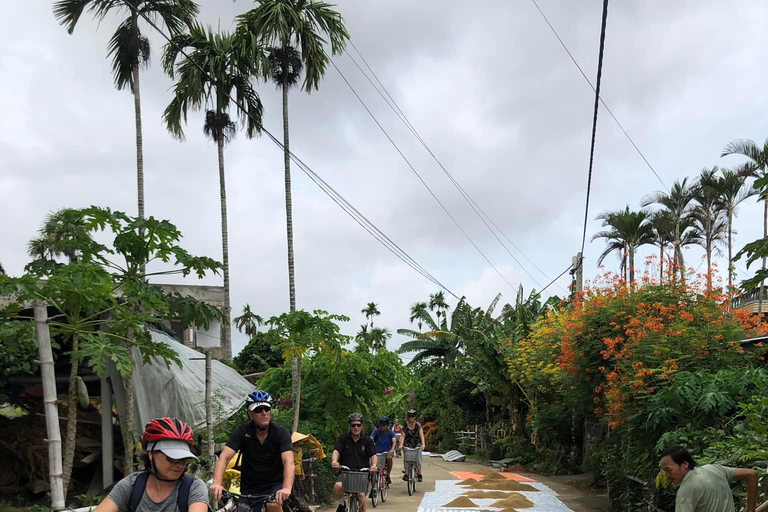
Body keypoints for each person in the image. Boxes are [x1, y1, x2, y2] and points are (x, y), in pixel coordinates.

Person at [94, 417, 208, 512]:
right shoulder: (131, 485)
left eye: (184, 459)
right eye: (172, 458)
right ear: (151, 454)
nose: (179, 465)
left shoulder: (193, 488)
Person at [211, 391, 294, 511]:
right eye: (258, 410)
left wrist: (286, 488)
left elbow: (288, 462)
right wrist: (217, 483)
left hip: (275, 486)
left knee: (274, 504)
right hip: (249, 489)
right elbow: (224, 457)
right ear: (250, 414)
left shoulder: (280, 432)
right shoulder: (242, 431)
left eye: (267, 408)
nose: (264, 413)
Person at [659, 446, 758, 512]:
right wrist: (751, 508)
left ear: (685, 464)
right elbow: (751, 474)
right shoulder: (713, 469)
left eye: (669, 470)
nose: (667, 475)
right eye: (664, 471)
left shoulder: (686, 491)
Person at [332, 413, 377, 512]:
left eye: (358, 425)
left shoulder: (367, 440)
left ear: (361, 426)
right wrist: (334, 461)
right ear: (350, 426)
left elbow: (373, 455)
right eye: (353, 425)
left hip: (362, 473)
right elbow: (336, 450)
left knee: (361, 495)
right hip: (345, 472)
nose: (356, 427)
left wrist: (374, 465)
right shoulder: (343, 438)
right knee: (337, 487)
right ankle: (342, 503)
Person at [399, 409, 425, 482]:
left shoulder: (418, 425)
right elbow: (403, 436)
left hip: (417, 444)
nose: (411, 418)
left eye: (413, 416)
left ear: (415, 417)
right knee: (406, 459)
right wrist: (401, 445)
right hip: (408, 443)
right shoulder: (405, 425)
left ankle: (419, 474)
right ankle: (406, 474)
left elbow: (421, 435)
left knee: (418, 459)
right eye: (410, 416)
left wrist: (423, 444)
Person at [369, 416, 396, 484]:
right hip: (377, 452)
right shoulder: (376, 431)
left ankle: (388, 475)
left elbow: (394, 440)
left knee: (389, 458)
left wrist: (392, 449)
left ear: (387, 425)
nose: (382, 427)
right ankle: (371, 478)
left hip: (387, 452)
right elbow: (371, 438)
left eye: (384, 425)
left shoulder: (390, 432)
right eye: (380, 425)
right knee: (371, 463)